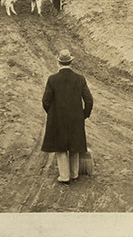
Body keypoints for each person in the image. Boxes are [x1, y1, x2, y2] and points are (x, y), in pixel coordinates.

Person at [41, 49, 94, 184]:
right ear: (71, 61)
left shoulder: (52, 79)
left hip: (58, 118)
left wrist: (52, 114)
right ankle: (74, 173)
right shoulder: (80, 79)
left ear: (58, 62)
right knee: (74, 144)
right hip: (76, 117)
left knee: (60, 146)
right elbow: (89, 100)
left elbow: (46, 101)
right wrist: (84, 114)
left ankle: (64, 176)